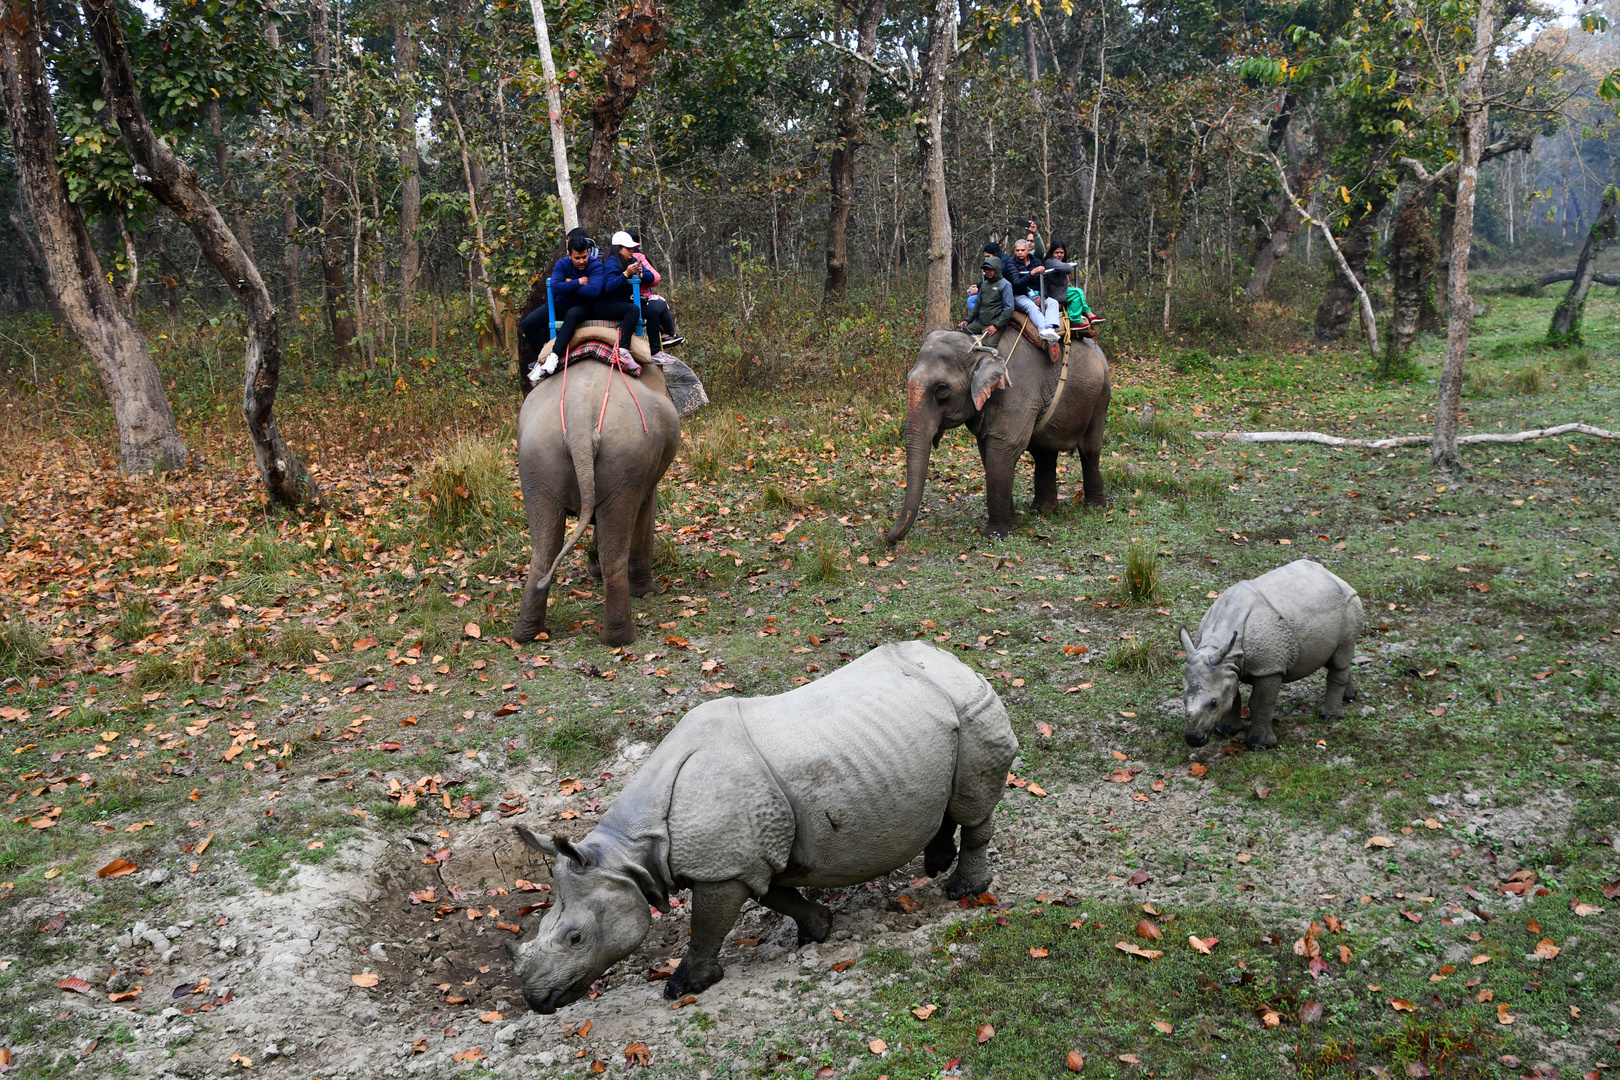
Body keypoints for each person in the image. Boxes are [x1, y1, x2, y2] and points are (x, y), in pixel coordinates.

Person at [522, 228, 605, 381]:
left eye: (584, 257)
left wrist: (568, 286)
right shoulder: (562, 264)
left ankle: (554, 355)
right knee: (528, 324)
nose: (581, 261)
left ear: (588, 252)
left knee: (572, 314)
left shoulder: (595, 265)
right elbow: (555, 287)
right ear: (569, 255)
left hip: (583, 307)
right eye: (577, 258)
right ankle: (542, 357)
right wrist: (578, 283)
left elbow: (594, 291)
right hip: (561, 304)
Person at [595, 230, 650, 371]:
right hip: (605, 305)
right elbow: (609, 286)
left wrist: (640, 273)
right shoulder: (612, 263)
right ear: (619, 249)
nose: (632, 250)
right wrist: (626, 274)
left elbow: (652, 277)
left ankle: (656, 348)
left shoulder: (629, 260)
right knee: (633, 310)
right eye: (628, 248)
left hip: (619, 302)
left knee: (652, 309)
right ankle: (624, 349)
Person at [627, 229, 681, 355]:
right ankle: (666, 335)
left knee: (658, 304)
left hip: (637, 298)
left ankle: (667, 334)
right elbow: (655, 277)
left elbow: (652, 277)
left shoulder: (615, 258)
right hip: (637, 299)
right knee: (658, 305)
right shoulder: (637, 257)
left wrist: (642, 274)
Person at [1005, 238, 1061, 343]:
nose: (1020, 252)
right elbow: (1016, 284)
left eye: (1022, 250)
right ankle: (1043, 329)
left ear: (1028, 250)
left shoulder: (1036, 261)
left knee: (1053, 303)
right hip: (1019, 295)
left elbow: (1045, 281)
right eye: (1017, 250)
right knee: (1031, 306)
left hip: (1036, 294)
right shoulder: (1010, 264)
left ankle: (1050, 328)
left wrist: (1042, 296)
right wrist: (1032, 273)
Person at [957, 256, 1014, 338]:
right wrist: (967, 320)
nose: (987, 271)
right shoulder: (984, 285)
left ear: (996, 269)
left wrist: (996, 326)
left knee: (986, 346)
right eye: (985, 269)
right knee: (960, 334)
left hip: (995, 324)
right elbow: (977, 305)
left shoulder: (1005, 285)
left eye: (990, 269)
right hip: (981, 323)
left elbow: (1009, 308)